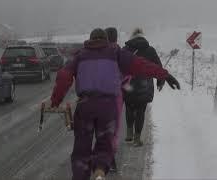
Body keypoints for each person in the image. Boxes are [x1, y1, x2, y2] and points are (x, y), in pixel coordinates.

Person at [50, 28, 180, 180]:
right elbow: (142, 65)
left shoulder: (80, 55)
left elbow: (64, 76)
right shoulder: (116, 53)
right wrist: (165, 75)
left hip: (85, 105)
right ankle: (99, 172)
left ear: (90, 40)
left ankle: (80, 176)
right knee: (105, 145)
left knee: (81, 149)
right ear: (106, 40)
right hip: (107, 107)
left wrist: (55, 101)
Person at [122, 28, 165, 146]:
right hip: (144, 85)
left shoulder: (125, 50)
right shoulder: (150, 50)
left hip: (128, 85)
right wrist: (160, 82)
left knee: (129, 107)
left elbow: (119, 67)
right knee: (141, 110)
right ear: (143, 37)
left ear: (132, 37)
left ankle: (129, 134)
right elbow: (158, 67)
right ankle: (137, 139)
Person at [104, 27, 121, 172]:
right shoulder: (120, 53)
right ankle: (111, 158)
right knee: (114, 128)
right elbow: (128, 72)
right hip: (116, 95)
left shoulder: (98, 53)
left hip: (99, 94)